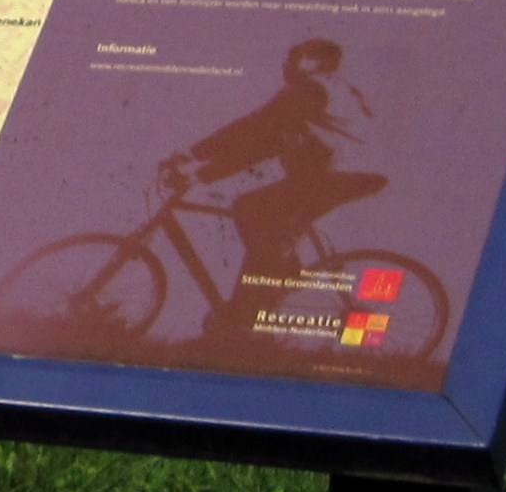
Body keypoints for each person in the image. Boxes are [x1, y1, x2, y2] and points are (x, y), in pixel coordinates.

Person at [159, 38, 390, 341]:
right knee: (264, 224)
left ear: (313, 61)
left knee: (251, 209)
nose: (286, 66)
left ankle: (261, 299)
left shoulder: (312, 88)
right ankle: (254, 309)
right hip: (353, 173)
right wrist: (200, 176)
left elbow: (254, 126)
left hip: (342, 173)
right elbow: (264, 145)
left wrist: (190, 154)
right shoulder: (327, 91)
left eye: (294, 58)